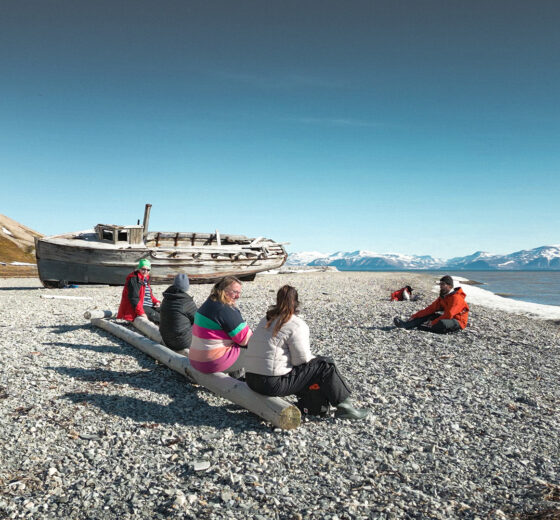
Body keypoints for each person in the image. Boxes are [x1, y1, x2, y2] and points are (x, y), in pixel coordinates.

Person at [245, 285, 368, 420]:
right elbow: (301, 360)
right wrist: (316, 359)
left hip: (251, 379)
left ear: (277, 300)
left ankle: (315, 405)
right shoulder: (296, 324)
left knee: (313, 367)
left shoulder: (267, 319)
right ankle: (346, 408)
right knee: (325, 365)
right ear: (296, 303)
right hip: (270, 384)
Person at [189, 276, 252, 375]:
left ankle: (234, 379)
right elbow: (246, 340)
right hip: (210, 362)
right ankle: (241, 384)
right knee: (253, 349)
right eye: (235, 292)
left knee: (233, 342)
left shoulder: (208, 303)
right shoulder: (225, 309)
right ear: (223, 290)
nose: (238, 296)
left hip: (195, 359)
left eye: (239, 293)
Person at [393, 275, 468, 334]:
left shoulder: (457, 298)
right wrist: (415, 315)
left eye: (443, 284)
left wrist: (434, 322)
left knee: (442, 323)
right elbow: (430, 309)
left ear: (450, 286)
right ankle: (406, 325)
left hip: (458, 321)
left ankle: (424, 327)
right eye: (440, 284)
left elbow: (449, 314)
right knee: (429, 315)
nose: (440, 286)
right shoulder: (443, 297)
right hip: (448, 318)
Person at [159, 273, 198, 355]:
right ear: (186, 286)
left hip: (166, 339)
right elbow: (199, 319)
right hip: (180, 343)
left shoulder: (166, 298)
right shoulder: (186, 302)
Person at [117, 259, 161, 324]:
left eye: (148, 270)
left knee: (167, 311)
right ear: (139, 268)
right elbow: (134, 298)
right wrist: (141, 313)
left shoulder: (146, 278)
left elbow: (149, 295)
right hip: (142, 306)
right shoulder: (134, 279)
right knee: (161, 319)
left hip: (150, 304)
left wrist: (156, 302)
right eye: (143, 269)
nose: (145, 271)